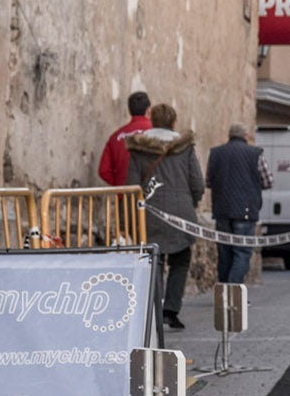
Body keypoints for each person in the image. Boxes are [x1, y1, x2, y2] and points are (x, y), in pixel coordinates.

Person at [126, 104, 203, 329]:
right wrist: (192, 202)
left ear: (153, 120)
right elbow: (197, 182)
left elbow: (131, 186)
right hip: (181, 212)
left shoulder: (139, 148)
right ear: (173, 121)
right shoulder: (185, 147)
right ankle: (171, 309)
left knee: (154, 259)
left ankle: (154, 307)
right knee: (181, 259)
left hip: (149, 212)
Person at [206, 123, 271, 285]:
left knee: (225, 252)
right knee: (242, 252)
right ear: (245, 136)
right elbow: (268, 180)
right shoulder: (255, 154)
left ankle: (223, 291)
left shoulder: (215, 153)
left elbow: (208, 181)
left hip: (221, 210)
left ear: (229, 136)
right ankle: (233, 290)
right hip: (246, 211)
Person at [98, 91, 151, 186]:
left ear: (130, 110)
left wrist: (120, 185)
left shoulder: (115, 137)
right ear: (148, 110)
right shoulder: (155, 131)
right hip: (153, 195)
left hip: (126, 196)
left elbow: (103, 171)